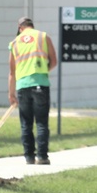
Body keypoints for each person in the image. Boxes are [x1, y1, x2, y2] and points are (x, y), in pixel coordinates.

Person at [8, 16, 58, 165]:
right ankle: (42, 157)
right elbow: (54, 61)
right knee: (42, 122)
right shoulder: (43, 36)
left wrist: (11, 93)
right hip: (40, 84)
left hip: (22, 86)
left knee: (26, 123)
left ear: (20, 28)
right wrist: (42, 72)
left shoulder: (15, 43)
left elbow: (12, 72)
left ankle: (29, 157)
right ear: (32, 26)